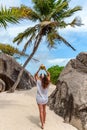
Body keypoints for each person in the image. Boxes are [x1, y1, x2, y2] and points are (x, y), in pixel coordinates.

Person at [34, 64, 50, 129]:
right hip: (45, 99)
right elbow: (49, 74)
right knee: (44, 110)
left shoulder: (38, 81)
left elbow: (35, 75)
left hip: (39, 99)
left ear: (40, 77)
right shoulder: (47, 82)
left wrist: (39, 69)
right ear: (45, 78)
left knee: (41, 111)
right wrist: (45, 69)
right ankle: (44, 121)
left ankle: (42, 124)